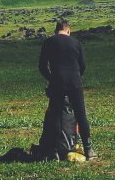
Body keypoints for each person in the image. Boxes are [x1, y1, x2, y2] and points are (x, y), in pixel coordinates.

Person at [38, 17, 92, 160]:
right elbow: (83, 65)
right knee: (81, 115)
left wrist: (51, 79)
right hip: (75, 81)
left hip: (57, 82)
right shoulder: (76, 42)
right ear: (69, 30)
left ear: (56, 31)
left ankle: (54, 151)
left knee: (56, 116)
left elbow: (42, 66)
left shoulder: (48, 42)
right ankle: (88, 150)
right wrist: (76, 77)